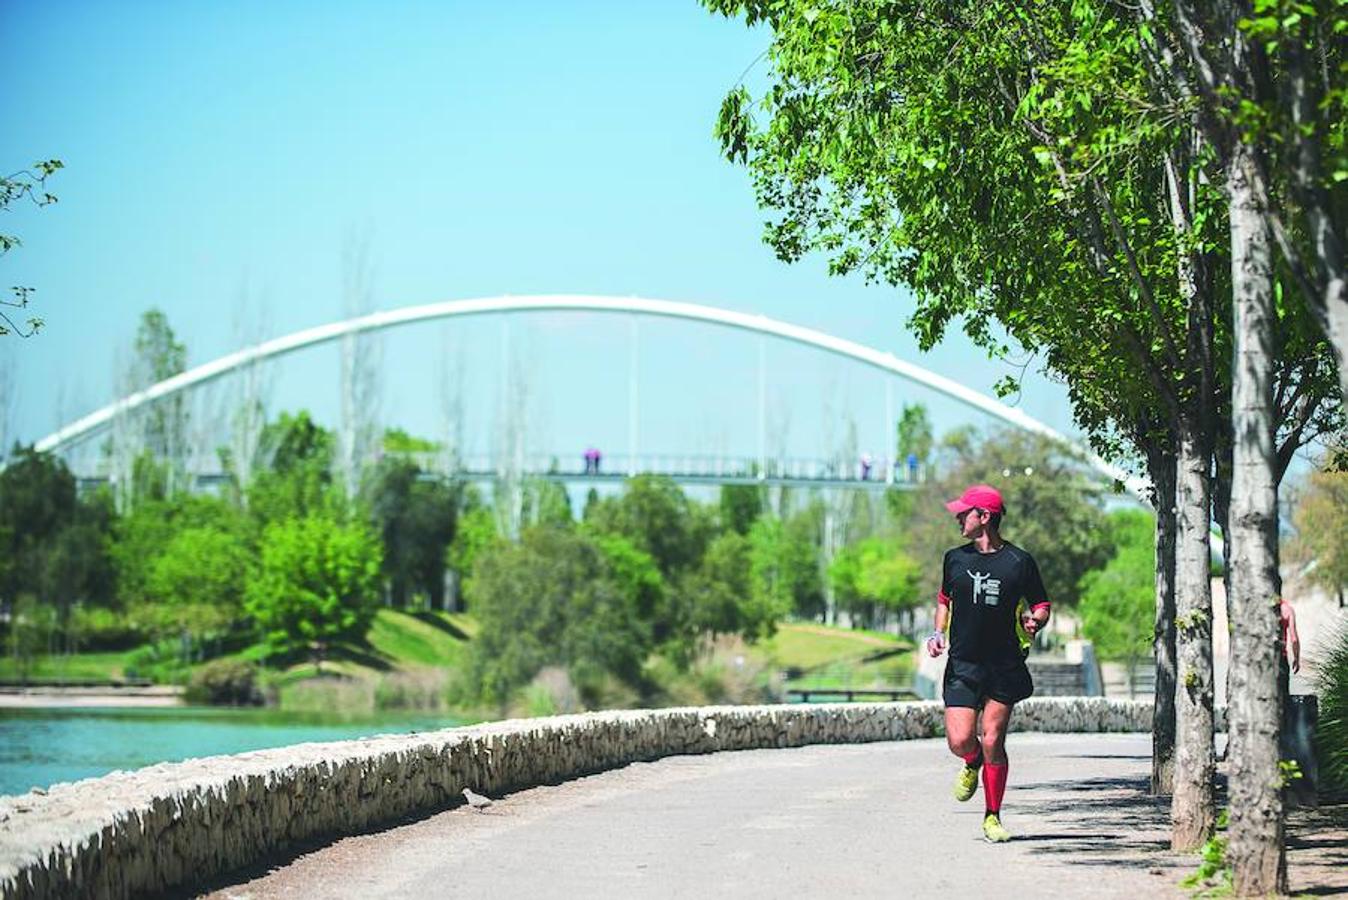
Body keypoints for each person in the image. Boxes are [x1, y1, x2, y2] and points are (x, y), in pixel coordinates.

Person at [925, 484, 1050, 843]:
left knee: (993, 738)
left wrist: (1035, 620)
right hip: (963, 663)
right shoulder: (954, 558)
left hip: (1004, 663)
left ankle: (992, 816)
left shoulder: (1018, 562)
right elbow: (944, 599)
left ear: (985, 517)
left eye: (964, 513)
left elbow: (1041, 603)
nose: (958, 518)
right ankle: (972, 761)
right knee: (961, 740)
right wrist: (937, 633)